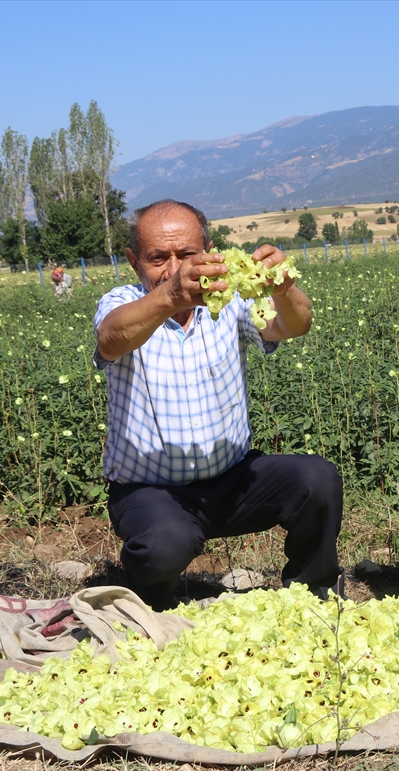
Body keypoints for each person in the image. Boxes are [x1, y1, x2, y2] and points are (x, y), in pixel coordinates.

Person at [93, 199, 343, 610]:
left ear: (208, 250)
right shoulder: (122, 302)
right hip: (151, 492)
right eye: (158, 258)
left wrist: (284, 288)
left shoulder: (229, 301)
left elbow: (293, 325)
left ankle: (313, 594)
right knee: (164, 544)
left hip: (233, 481)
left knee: (316, 479)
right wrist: (172, 296)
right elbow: (111, 338)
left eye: (187, 255)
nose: (174, 269)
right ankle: (146, 600)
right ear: (134, 260)